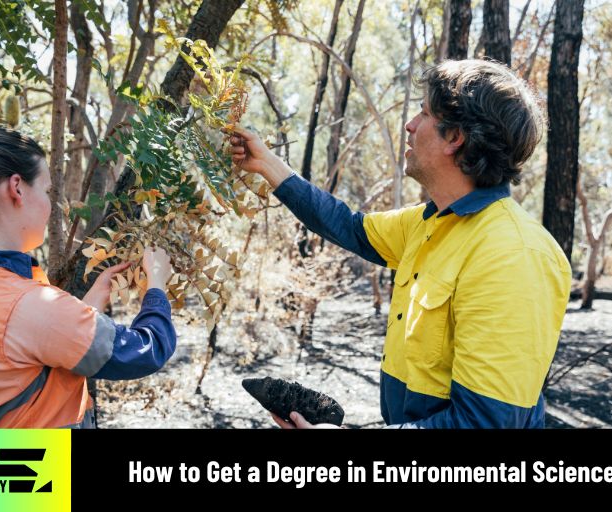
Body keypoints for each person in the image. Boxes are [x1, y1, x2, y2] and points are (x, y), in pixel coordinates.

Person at [230, 59, 572, 429]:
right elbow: (349, 227)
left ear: (455, 137)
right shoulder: (429, 223)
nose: (410, 124)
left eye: (424, 113)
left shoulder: (513, 255)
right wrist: (266, 163)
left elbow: (484, 424)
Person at [0, 124, 177, 428]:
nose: (50, 203)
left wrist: (86, 309)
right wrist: (156, 286)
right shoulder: (26, 305)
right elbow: (146, 350)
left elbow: (18, 360)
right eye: (47, 190)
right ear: (16, 188)